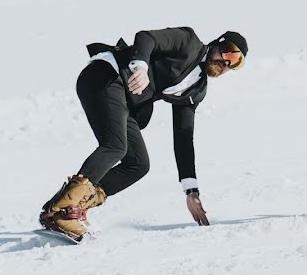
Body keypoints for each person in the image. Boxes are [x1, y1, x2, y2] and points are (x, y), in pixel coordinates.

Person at [39, 27, 248, 240]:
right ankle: (63, 210)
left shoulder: (197, 90)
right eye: (228, 52)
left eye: (236, 62)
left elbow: (183, 136)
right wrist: (140, 66)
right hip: (105, 76)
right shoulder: (188, 41)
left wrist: (191, 190)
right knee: (115, 146)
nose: (227, 63)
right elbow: (146, 38)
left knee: (138, 164)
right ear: (216, 43)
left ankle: (64, 209)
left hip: (124, 100)